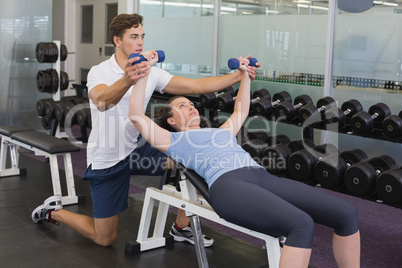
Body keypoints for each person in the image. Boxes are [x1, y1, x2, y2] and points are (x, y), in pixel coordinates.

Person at [31, 13, 260, 247]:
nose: (140, 42)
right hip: (108, 159)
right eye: (133, 37)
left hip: (138, 149)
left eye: (142, 36)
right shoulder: (100, 71)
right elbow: (101, 101)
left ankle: (181, 227)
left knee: (195, 156)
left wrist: (239, 75)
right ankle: (54, 212)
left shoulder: (152, 72)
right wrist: (129, 78)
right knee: (104, 238)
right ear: (117, 41)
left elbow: (196, 86)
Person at [128, 52, 361, 268]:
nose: (190, 107)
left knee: (347, 214)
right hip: (229, 186)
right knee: (301, 224)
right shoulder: (173, 141)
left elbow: (240, 111)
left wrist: (245, 75)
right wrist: (142, 74)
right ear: (171, 121)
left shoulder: (220, 132)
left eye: (191, 104)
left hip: (260, 176)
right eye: (181, 106)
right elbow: (136, 115)